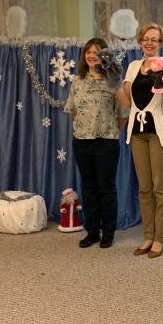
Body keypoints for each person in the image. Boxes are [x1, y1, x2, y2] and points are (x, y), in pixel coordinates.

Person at [116, 23, 163, 258]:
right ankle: (148, 235)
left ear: (161, 43)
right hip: (137, 133)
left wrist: (160, 85)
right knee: (144, 188)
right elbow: (126, 102)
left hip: (160, 133)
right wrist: (114, 81)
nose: (150, 42)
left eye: (155, 39)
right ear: (140, 41)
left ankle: (160, 238)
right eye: (146, 38)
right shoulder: (133, 66)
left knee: (159, 187)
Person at [64, 37, 128, 249]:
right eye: (89, 52)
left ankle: (108, 232)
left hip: (106, 142)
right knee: (89, 188)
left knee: (106, 189)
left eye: (97, 52)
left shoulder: (113, 81)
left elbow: (123, 113)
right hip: (82, 142)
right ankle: (92, 232)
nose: (92, 56)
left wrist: (107, 130)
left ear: (104, 56)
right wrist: (85, 128)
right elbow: (73, 111)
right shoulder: (77, 81)